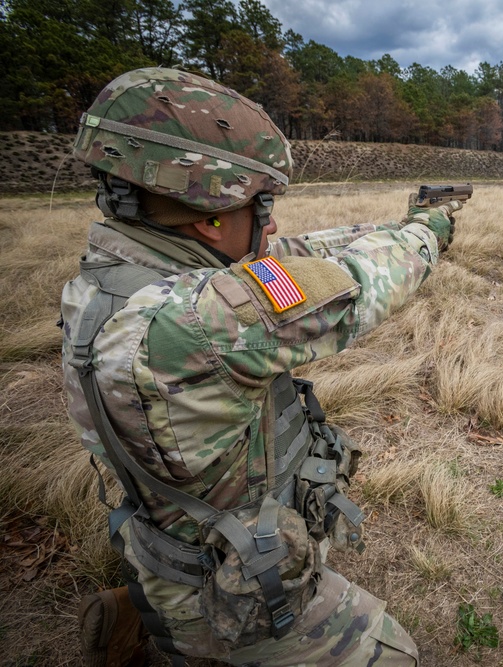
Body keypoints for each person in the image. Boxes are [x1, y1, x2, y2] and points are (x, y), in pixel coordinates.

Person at [61, 67, 461, 666]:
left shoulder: (110, 282)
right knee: (395, 655)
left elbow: (297, 254)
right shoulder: (201, 321)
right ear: (210, 217)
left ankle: (143, 613)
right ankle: (180, 637)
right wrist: (430, 233)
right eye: (262, 205)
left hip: (160, 538)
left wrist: (397, 224)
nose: (271, 223)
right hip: (227, 585)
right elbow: (359, 282)